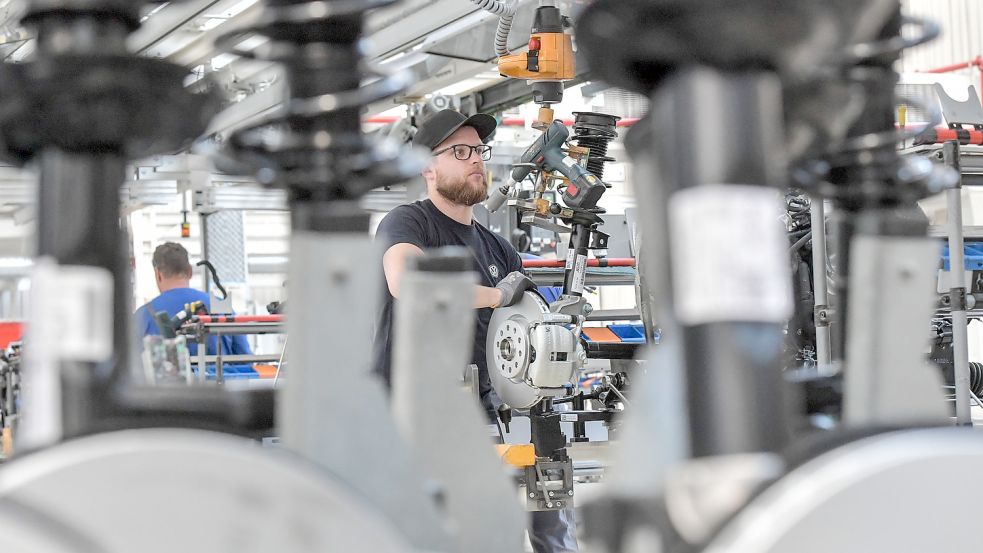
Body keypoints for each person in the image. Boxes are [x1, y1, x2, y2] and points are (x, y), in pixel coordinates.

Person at [372, 109, 579, 553]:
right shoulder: (409, 222)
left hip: (479, 414)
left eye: (479, 151)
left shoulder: (497, 247)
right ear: (427, 167)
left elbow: (524, 321)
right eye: (460, 152)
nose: (476, 161)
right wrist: (495, 296)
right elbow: (409, 282)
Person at [135, 242, 251, 359]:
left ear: (158, 274)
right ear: (190, 271)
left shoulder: (142, 316)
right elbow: (246, 361)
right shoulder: (222, 308)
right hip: (221, 377)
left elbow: (127, 366)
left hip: (166, 377)